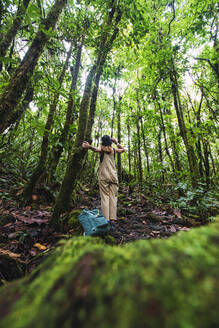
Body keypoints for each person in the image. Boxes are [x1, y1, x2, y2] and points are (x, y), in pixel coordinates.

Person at [82, 135, 125, 223]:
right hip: (113, 176)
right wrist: (116, 142)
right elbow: (123, 150)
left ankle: (106, 219)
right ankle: (113, 219)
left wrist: (88, 146)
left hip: (104, 176)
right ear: (110, 142)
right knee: (113, 197)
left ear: (102, 142)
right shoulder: (113, 150)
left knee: (105, 197)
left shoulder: (101, 148)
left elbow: (95, 149)